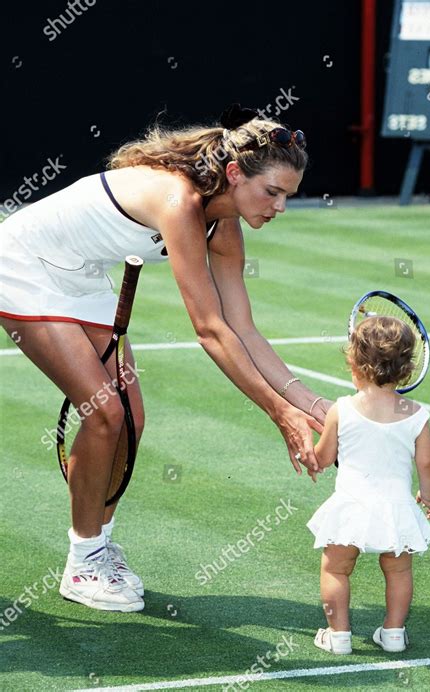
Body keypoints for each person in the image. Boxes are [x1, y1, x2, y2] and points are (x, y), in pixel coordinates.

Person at [0, 103, 331, 612]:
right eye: (273, 192)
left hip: (82, 276)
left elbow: (243, 327)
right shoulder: (179, 202)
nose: (280, 206)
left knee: (130, 419)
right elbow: (211, 329)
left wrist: (308, 402)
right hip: (22, 265)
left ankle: (97, 546)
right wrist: (278, 412)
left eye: (288, 195)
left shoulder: (226, 227)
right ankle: (82, 561)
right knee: (105, 414)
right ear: (235, 173)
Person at [306, 315, 430, 655]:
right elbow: (427, 462)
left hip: (351, 505)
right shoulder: (416, 413)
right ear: (406, 368)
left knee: (336, 567)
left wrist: (310, 453)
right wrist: (428, 495)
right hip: (397, 508)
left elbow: (323, 458)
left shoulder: (341, 409)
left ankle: (339, 636)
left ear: (355, 362)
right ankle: (393, 633)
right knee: (398, 569)